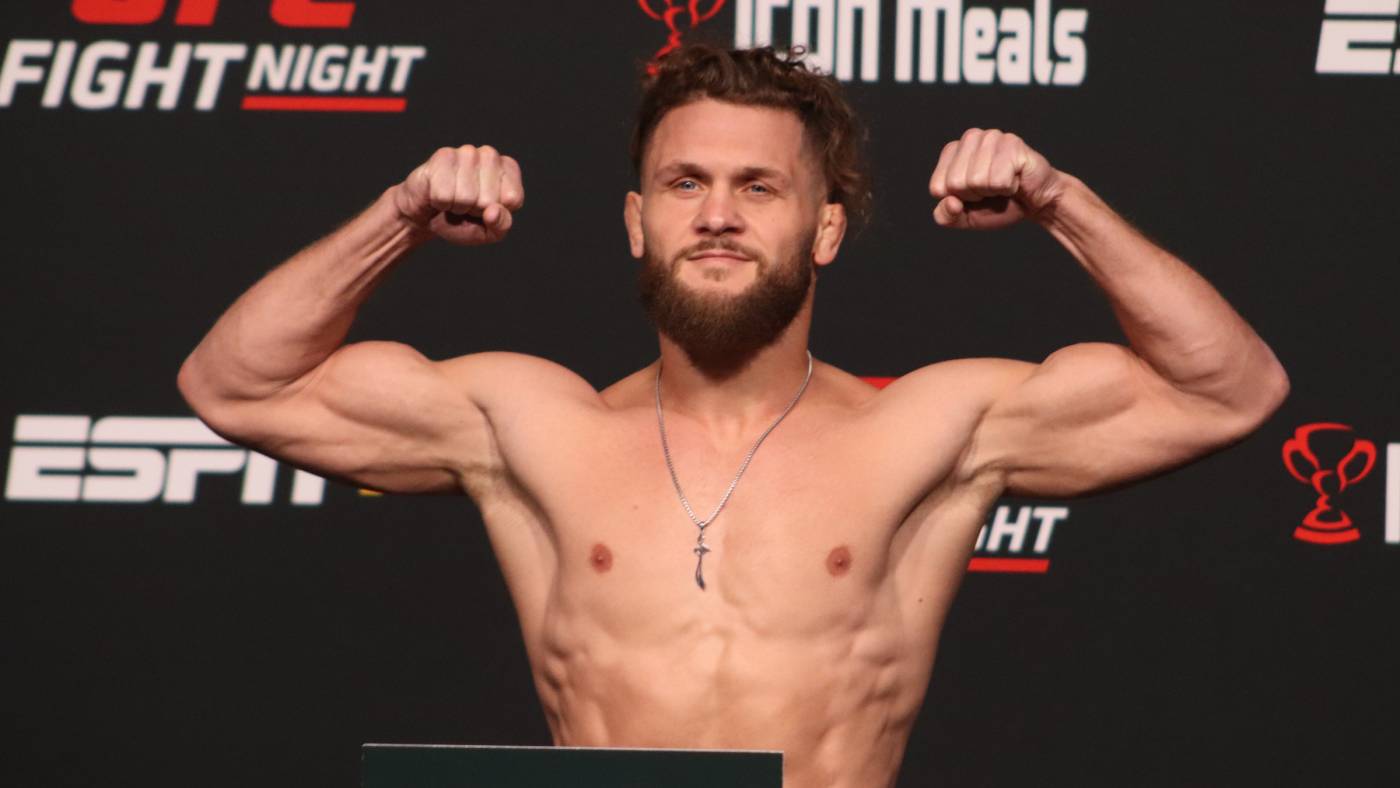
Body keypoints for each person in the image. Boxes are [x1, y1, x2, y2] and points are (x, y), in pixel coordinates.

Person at [178, 44, 1288, 788]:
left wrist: (1060, 203)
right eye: (684, 184)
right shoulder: (533, 424)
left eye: (758, 187)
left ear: (826, 229)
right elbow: (237, 385)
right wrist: (401, 216)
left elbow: (1226, 389)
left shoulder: (927, 430)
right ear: (635, 222)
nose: (716, 215)